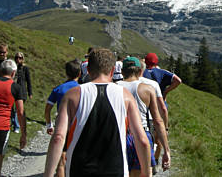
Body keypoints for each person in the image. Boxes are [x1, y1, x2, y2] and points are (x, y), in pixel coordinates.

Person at [44, 48, 151, 177]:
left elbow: (58, 137)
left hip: (79, 169)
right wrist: (145, 172)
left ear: (88, 70)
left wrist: (48, 174)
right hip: (115, 169)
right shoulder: (126, 96)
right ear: (112, 71)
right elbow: (141, 140)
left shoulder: (72, 95)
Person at [119, 57, 170, 176]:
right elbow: (157, 121)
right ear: (140, 72)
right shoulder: (148, 89)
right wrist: (166, 150)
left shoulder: (114, 87)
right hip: (142, 134)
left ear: (122, 72)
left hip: (119, 135)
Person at [142, 53, 181, 166]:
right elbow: (178, 80)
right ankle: (155, 161)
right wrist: (166, 91)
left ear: (145, 61)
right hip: (160, 105)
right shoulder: (162, 72)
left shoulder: (141, 72)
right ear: (156, 62)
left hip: (146, 106)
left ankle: (145, 161)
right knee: (158, 137)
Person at [44, 59, 80, 177]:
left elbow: (48, 108)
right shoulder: (82, 89)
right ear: (79, 73)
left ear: (66, 73)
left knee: (61, 162)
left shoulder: (58, 89)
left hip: (62, 125)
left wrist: (49, 125)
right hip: (78, 126)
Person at [11, 52, 33, 133]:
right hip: (12, 90)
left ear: (22, 59)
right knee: (11, 109)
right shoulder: (12, 68)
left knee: (18, 110)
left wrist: (30, 92)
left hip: (21, 92)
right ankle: (14, 123)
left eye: (20, 58)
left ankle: (16, 126)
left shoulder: (25, 68)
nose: (18, 59)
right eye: (16, 57)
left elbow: (29, 81)